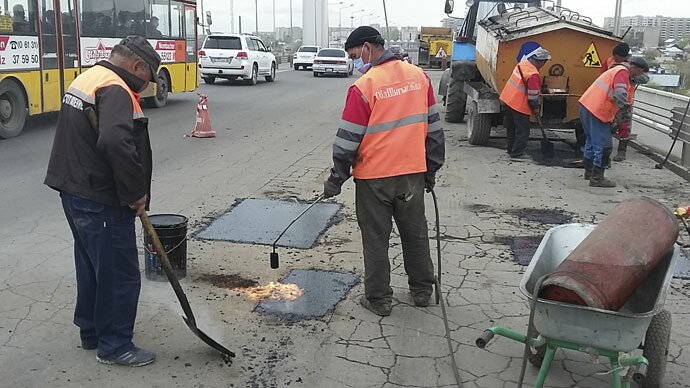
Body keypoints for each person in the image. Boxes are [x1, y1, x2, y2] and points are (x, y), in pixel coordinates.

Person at [44, 36, 162, 367]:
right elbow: (114, 142)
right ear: (138, 66)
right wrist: (135, 193)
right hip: (101, 198)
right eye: (148, 78)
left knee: (92, 264)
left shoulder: (91, 76)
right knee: (118, 273)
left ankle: (92, 331)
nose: (145, 86)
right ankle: (115, 346)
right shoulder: (116, 89)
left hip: (74, 190)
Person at [323, 26, 445, 316]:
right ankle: (422, 291)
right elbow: (435, 131)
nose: (355, 62)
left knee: (376, 238)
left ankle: (378, 299)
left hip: (374, 179)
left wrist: (335, 180)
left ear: (367, 48)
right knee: (415, 233)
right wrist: (431, 169)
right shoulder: (419, 77)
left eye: (355, 55)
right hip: (412, 175)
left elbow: (346, 142)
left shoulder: (364, 86)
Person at [579, 57, 648, 187]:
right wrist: (625, 109)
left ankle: (588, 172)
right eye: (639, 75)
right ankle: (597, 178)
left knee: (591, 141)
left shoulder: (617, 70)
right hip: (598, 110)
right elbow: (620, 92)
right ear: (637, 69)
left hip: (587, 105)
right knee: (605, 146)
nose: (635, 81)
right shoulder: (623, 72)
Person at [498, 48, 551, 159]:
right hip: (519, 105)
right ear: (541, 61)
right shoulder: (533, 74)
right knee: (523, 131)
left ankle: (510, 149)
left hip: (508, 99)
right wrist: (536, 109)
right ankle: (517, 153)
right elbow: (533, 96)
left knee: (511, 128)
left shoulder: (522, 64)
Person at [612, 58, 650, 161]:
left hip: (625, 102)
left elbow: (645, 78)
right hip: (613, 101)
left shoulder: (633, 70)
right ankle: (604, 151)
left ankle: (621, 152)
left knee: (624, 126)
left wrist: (632, 78)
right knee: (609, 125)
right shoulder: (620, 68)